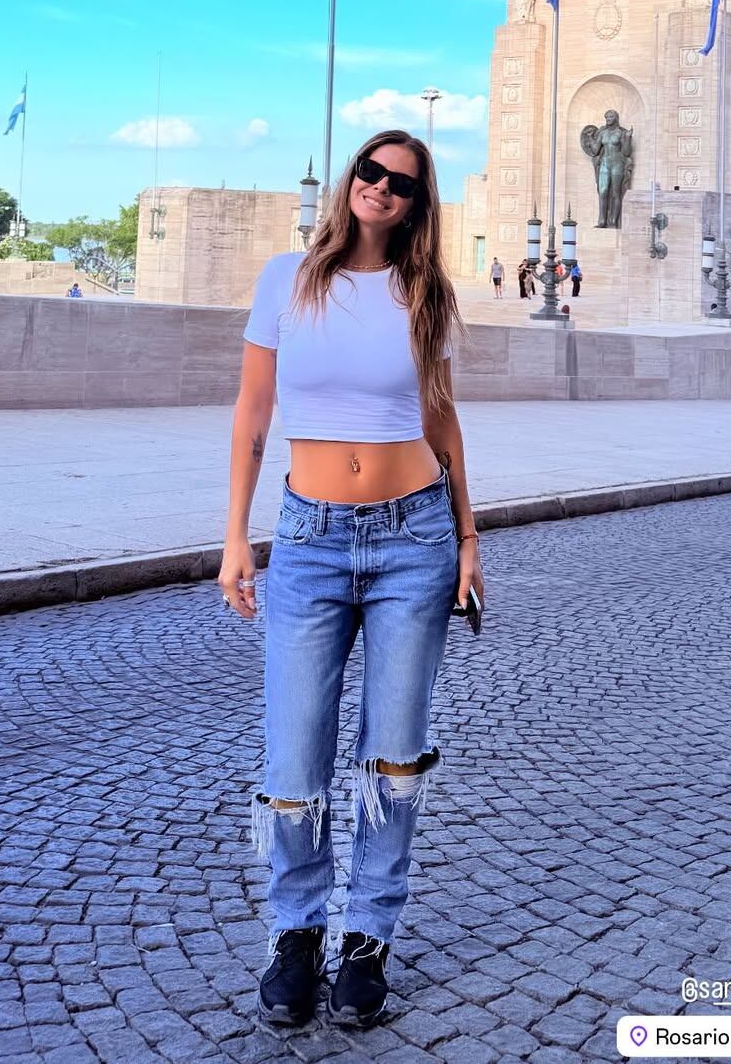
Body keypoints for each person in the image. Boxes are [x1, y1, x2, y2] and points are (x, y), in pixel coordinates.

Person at [219, 131, 484, 1034]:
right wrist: (234, 539)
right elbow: (253, 414)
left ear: (417, 202)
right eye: (369, 171)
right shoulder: (286, 279)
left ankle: (366, 937)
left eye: (400, 182)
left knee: (394, 754)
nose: (379, 187)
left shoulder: (427, 292)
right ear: (350, 181)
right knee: (294, 754)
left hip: (415, 535)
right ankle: (295, 934)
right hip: (310, 535)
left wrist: (468, 536)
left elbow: (442, 418)